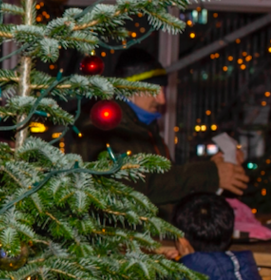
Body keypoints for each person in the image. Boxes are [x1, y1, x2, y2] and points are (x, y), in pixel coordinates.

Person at [66, 49, 248, 219]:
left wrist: (213, 168)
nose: (162, 99)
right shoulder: (103, 128)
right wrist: (210, 174)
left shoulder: (144, 129)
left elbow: (168, 184)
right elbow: (139, 186)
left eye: (163, 90)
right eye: (154, 90)